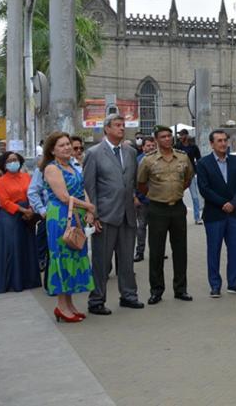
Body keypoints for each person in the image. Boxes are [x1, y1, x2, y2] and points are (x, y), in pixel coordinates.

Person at [82, 114, 145, 315]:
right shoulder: (94, 153)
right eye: (117, 125)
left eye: (123, 125)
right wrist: (94, 214)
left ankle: (129, 296)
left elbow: (132, 182)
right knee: (102, 261)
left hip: (127, 214)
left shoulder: (130, 151)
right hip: (105, 215)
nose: (121, 128)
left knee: (126, 260)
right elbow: (89, 187)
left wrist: (134, 199)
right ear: (106, 129)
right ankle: (96, 300)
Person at [41, 132, 97, 323]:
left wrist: (90, 210)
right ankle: (61, 306)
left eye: (68, 144)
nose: (67, 148)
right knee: (62, 260)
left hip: (76, 216)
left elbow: (83, 189)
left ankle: (70, 305)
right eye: (61, 145)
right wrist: (88, 206)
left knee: (74, 258)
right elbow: (64, 197)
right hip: (60, 217)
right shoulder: (51, 168)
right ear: (52, 150)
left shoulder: (74, 166)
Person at [139, 125, 195, 304]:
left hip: (177, 208)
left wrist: (175, 193)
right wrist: (154, 196)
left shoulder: (183, 157)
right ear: (156, 140)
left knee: (180, 250)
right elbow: (141, 183)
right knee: (156, 251)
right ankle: (156, 290)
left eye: (169, 136)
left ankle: (180, 289)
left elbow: (188, 179)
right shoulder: (148, 160)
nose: (167, 139)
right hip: (157, 209)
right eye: (163, 137)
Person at [196, 130, 236, 298]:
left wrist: (233, 203)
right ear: (212, 144)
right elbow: (204, 188)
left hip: (234, 213)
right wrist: (222, 203)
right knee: (214, 250)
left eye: (225, 140)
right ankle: (215, 285)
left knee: (235, 249)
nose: (223, 144)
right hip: (214, 215)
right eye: (219, 141)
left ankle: (234, 283)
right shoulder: (203, 163)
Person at [0, 152, 42, 293]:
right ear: (4, 164)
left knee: (28, 246)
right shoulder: (0, 181)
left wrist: (31, 208)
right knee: (11, 249)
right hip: (10, 217)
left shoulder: (26, 176)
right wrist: (22, 210)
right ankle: (12, 282)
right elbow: (4, 202)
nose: (13, 162)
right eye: (10, 160)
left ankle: (29, 280)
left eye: (15, 159)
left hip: (28, 216)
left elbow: (33, 193)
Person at [27, 161, 51, 281]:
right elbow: (33, 192)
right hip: (50, 215)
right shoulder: (42, 169)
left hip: (73, 214)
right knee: (51, 251)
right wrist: (42, 210)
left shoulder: (75, 166)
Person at [133, 137, 156, 262]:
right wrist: (134, 197)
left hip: (157, 201)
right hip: (142, 200)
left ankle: (157, 251)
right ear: (143, 147)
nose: (151, 147)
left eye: (153, 145)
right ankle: (139, 252)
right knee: (141, 227)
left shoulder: (159, 159)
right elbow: (132, 180)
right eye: (148, 145)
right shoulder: (137, 161)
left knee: (157, 228)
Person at [175, 129, 202, 225]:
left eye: (182, 135)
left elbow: (199, 159)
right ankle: (178, 218)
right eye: (179, 135)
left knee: (195, 197)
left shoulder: (193, 147)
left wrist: (199, 171)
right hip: (179, 174)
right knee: (177, 197)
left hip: (191, 174)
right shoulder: (177, 146)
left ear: (186, 135)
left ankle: (197, 217)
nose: (180, 137)